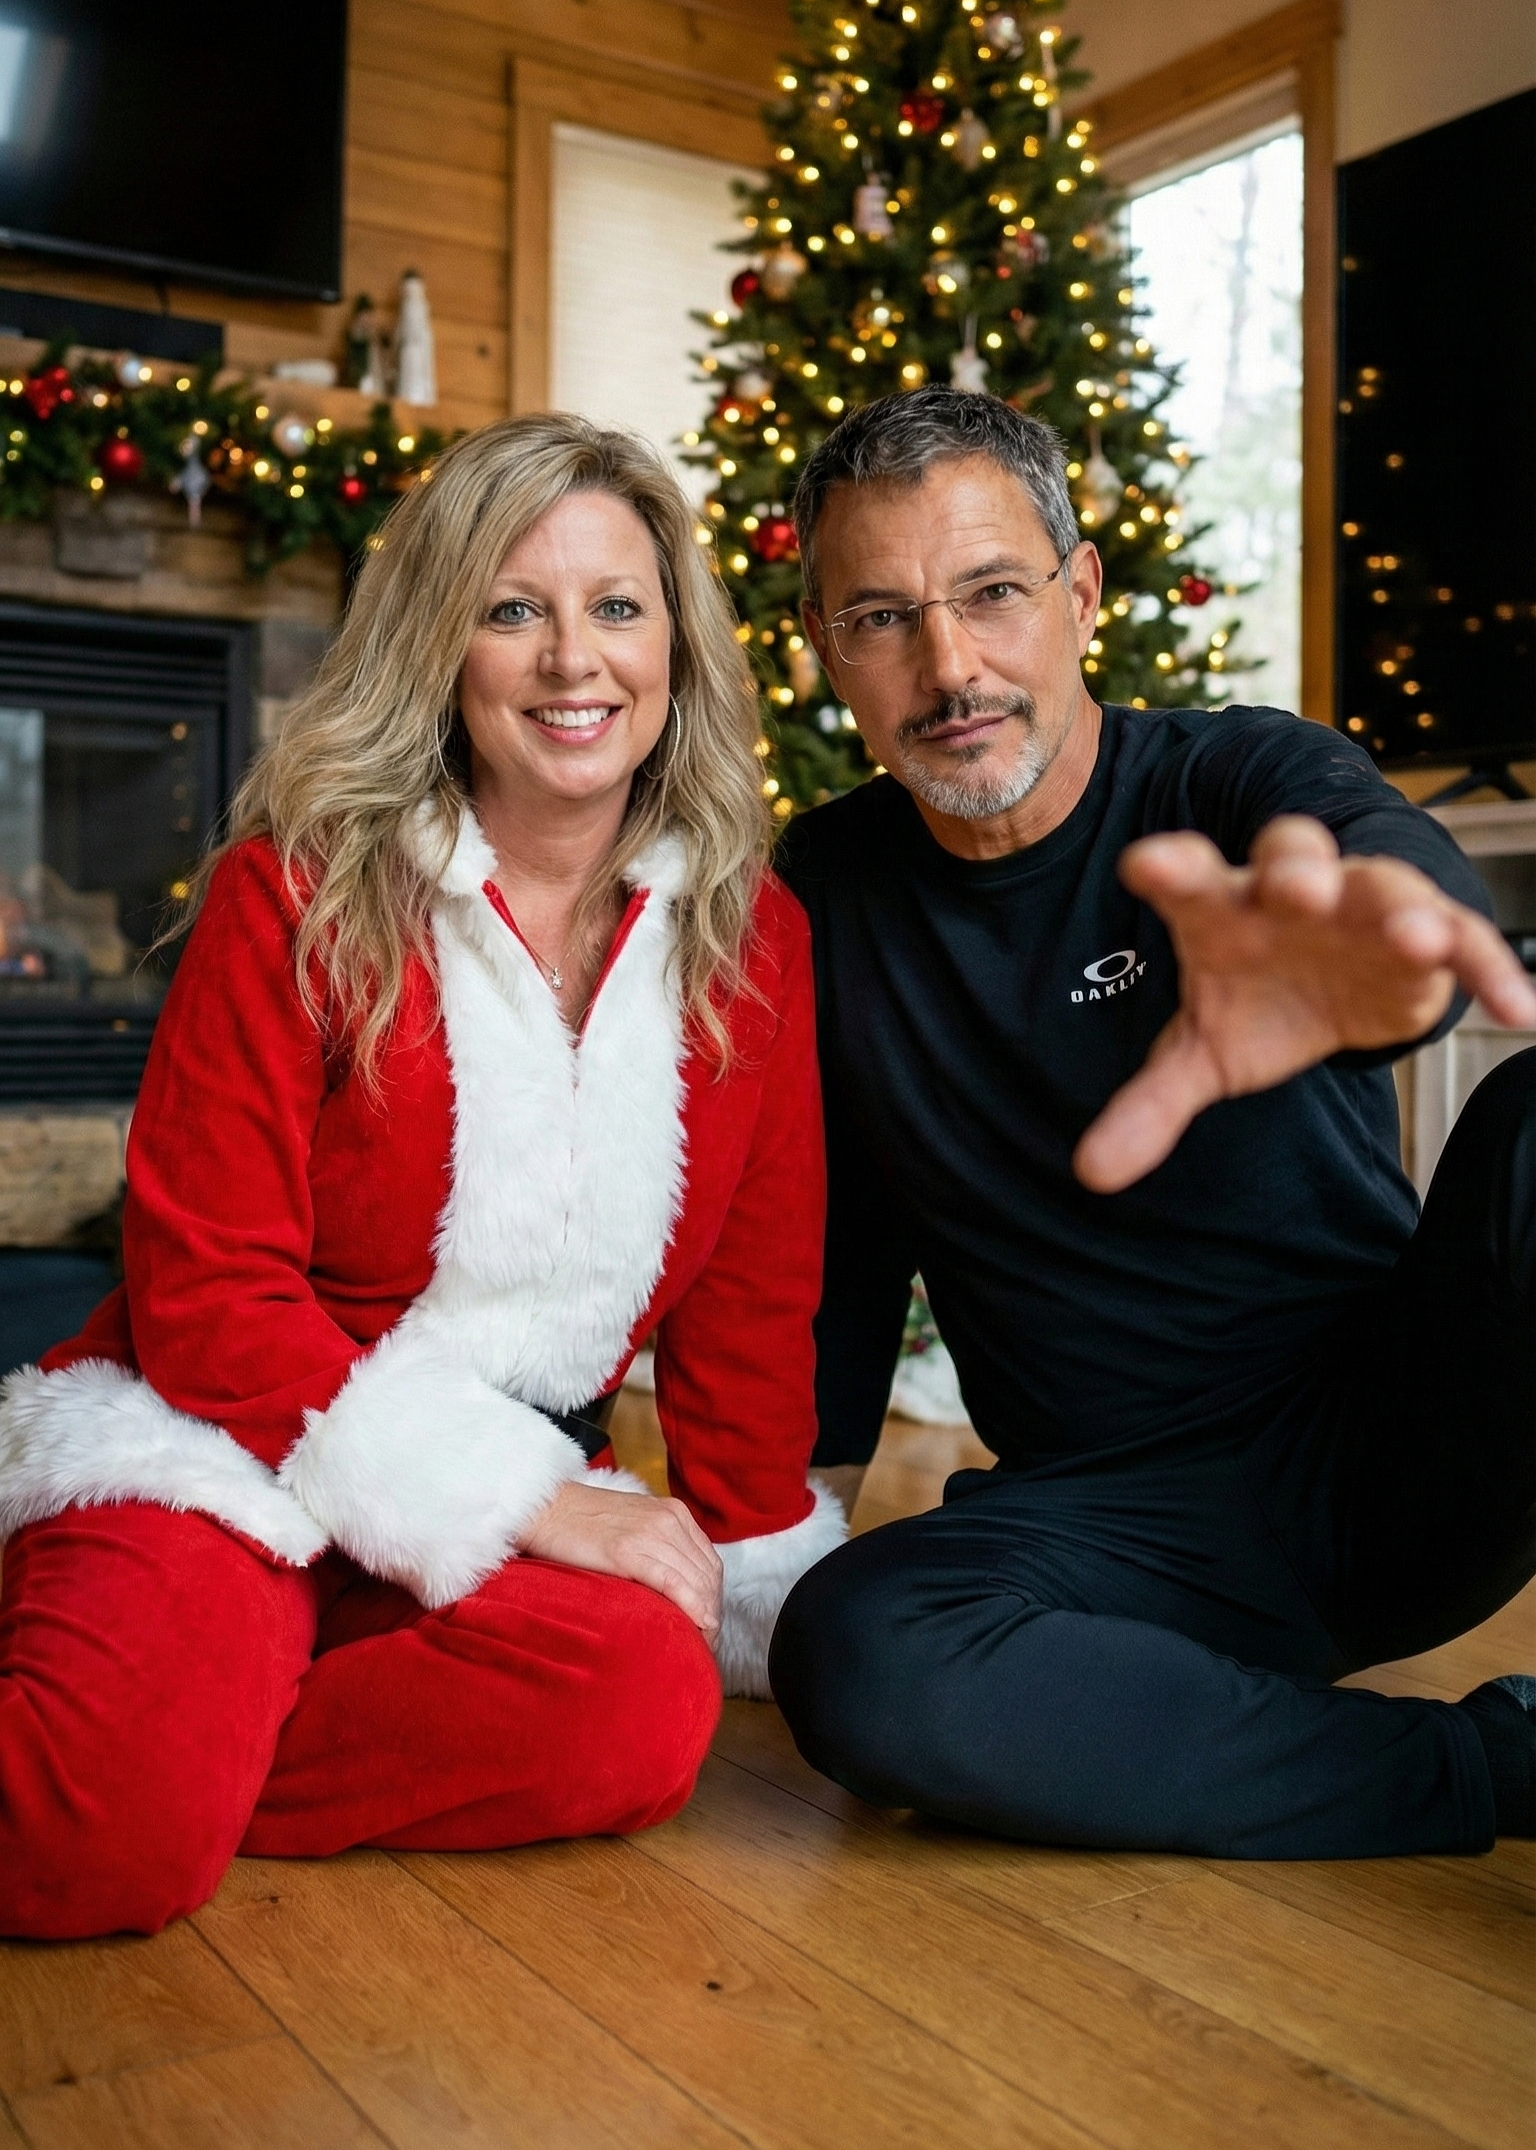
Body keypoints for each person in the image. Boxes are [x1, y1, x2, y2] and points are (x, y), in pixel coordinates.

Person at [0, 413, 845, 1939]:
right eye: (513, 608)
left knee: (647, 1699)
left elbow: (750, 1294)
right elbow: (207, 1293)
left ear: (677, 646)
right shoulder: (295, 893)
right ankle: (136, 1743)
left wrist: (752, 1554)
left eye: (616, 607)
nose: (571, 659)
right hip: (216, 1441)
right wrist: (525, 1496)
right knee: (86, 1848)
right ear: (443, 645)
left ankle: (181, 1739)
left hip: (478, 1502)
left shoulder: (753, 940)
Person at [769, 386, 1536, 1860]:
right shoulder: (827, 890)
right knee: (854, 1646)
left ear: (1082, 594)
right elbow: (839, 1250)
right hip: (1121, 1531)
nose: (951, 664)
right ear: (827, 652)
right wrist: (784, 1538)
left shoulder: (1229, 775)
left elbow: (1384, 865)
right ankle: (1489, 1769)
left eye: (994, 592)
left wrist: (1389, 947)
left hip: (1398, 1447)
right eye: (882, 616)